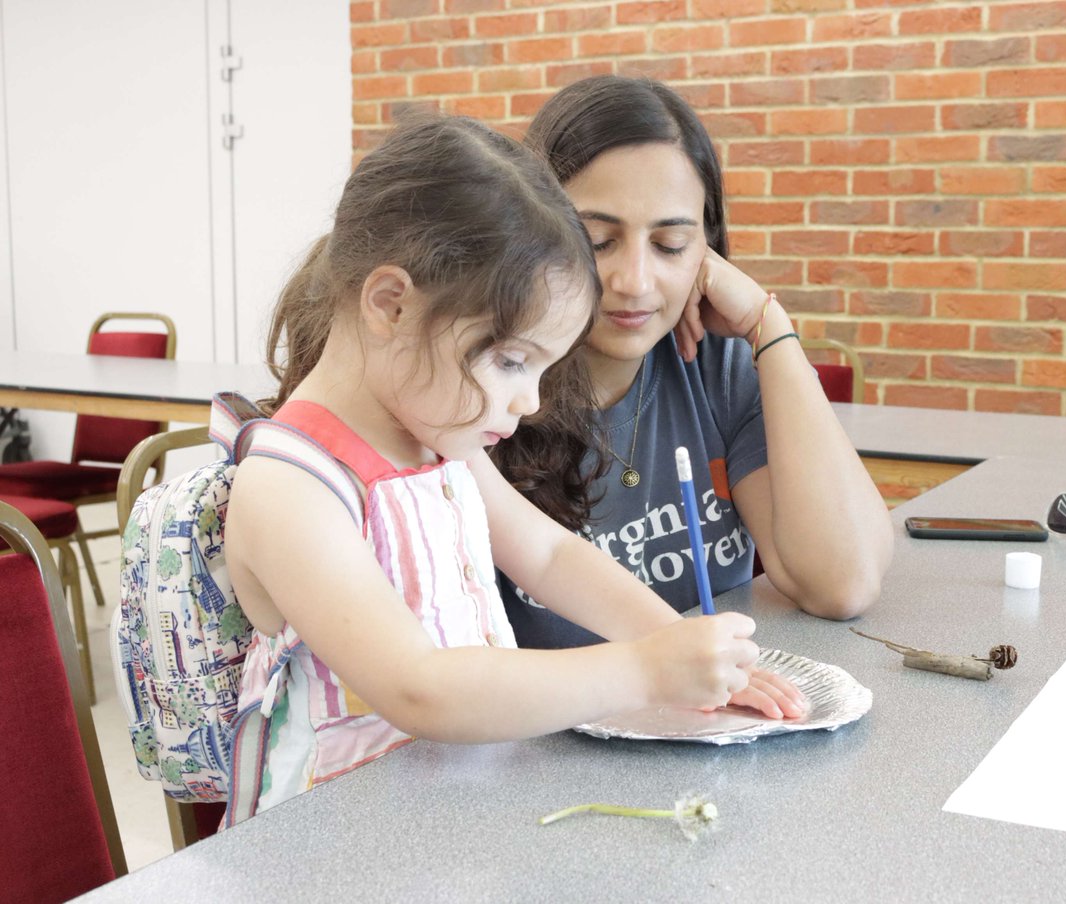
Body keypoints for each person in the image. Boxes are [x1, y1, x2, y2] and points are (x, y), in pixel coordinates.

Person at [223, 111, 806, 823]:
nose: (529, 402)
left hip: (456, 821)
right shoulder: (292, 485)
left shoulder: (442, 442)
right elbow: (419, 688)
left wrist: (680, 648)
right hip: (334, 847)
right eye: (509, 361)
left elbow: (552, 555)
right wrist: (644, 671)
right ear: (390, 304)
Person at [494, 75, 894, 650]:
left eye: (671, 245)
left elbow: (842, 583)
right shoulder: (486, 391)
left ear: (707, 248)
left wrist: (768, 326)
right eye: (597, 240)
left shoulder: (716, 367)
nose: (634, 282)